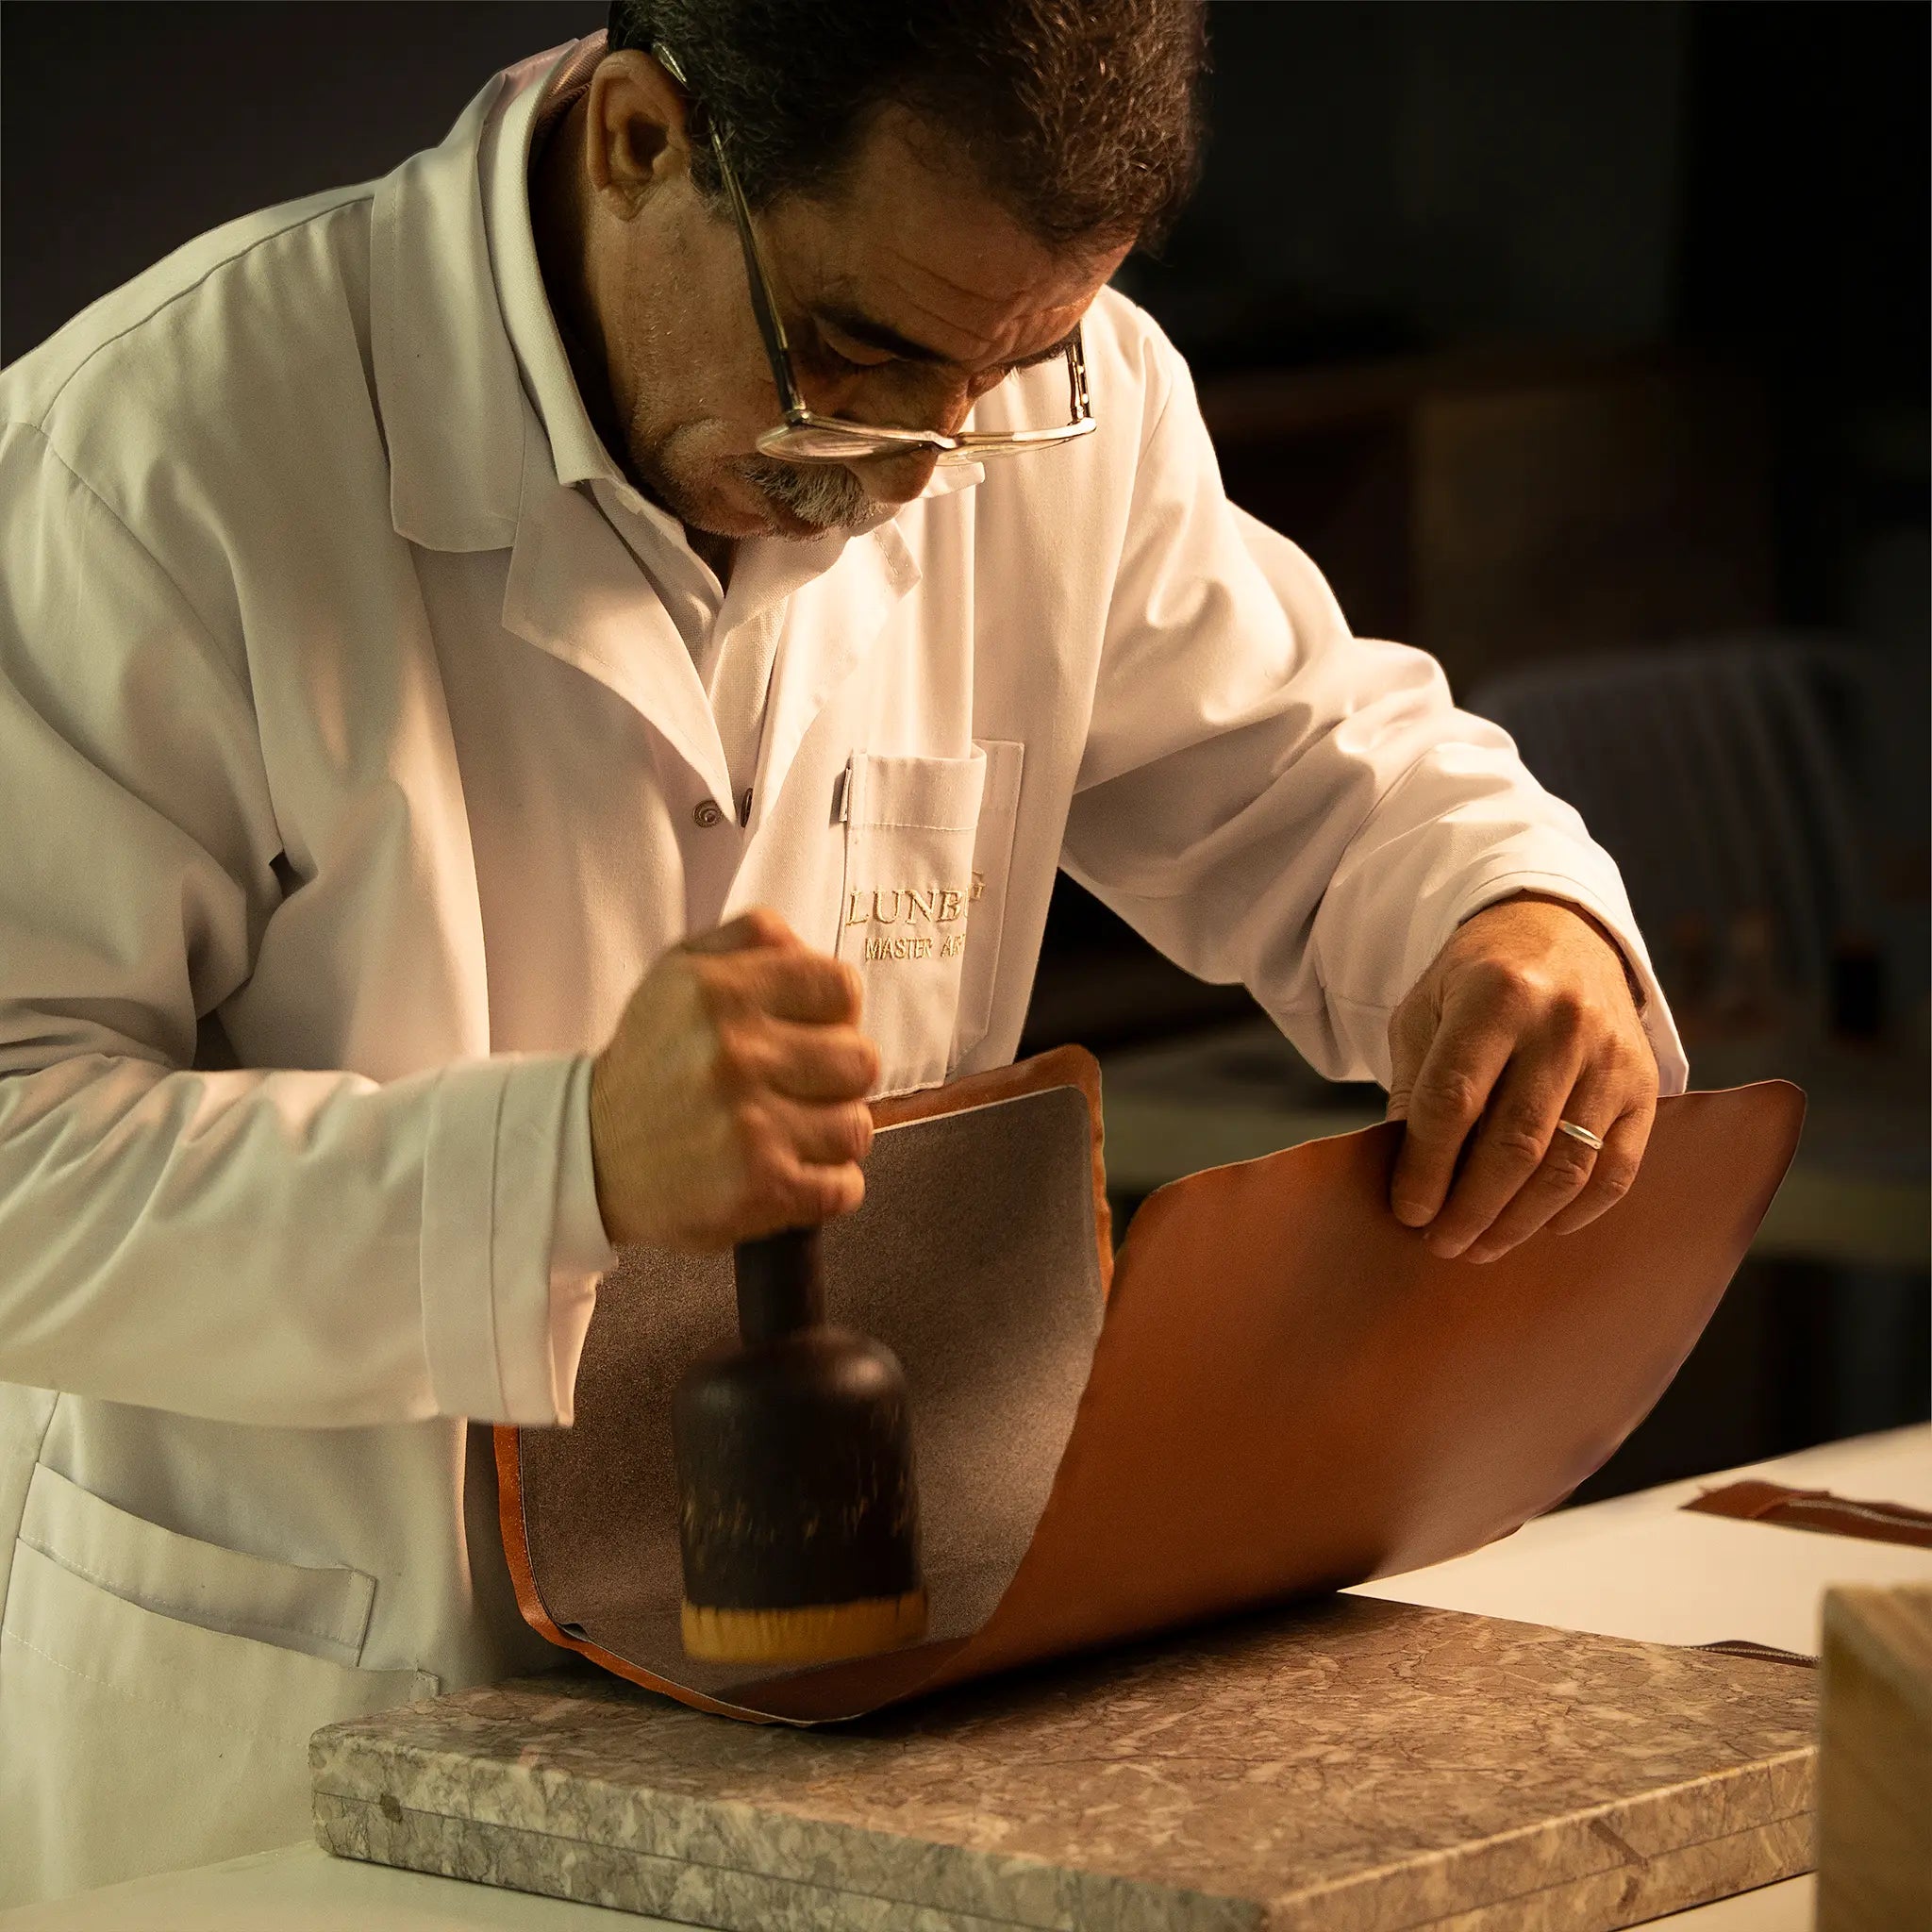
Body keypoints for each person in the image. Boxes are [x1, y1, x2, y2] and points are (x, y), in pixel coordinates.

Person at [0, 0, 1681, 1901]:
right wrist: (557, 1166)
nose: (921, 464)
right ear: (642, 140)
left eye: (1008, 367)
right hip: (316, 1707)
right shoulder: (142, 468)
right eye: (860, 352)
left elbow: (1308, 768)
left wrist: (1500, 911)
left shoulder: (1050, 398)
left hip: (862, 1692)